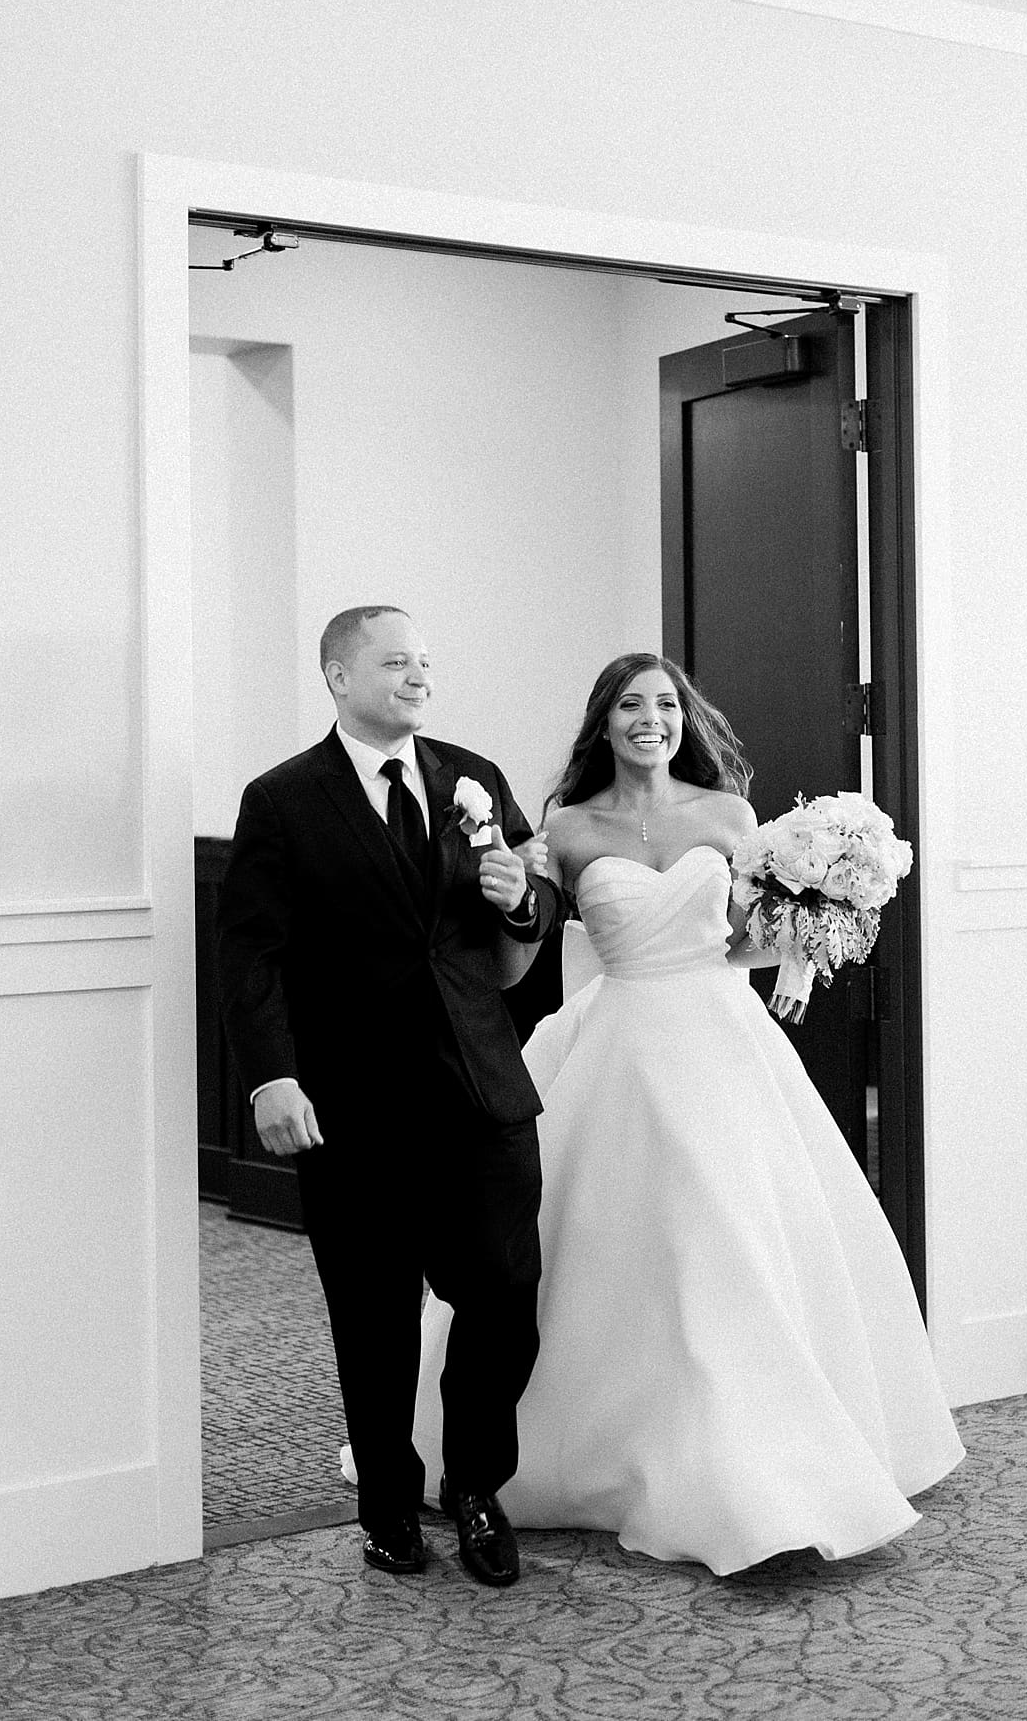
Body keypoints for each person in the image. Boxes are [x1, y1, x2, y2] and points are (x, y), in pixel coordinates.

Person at [413, 651, 965, 1576]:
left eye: (666, 704)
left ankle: (763, 1464)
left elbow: (738, 940)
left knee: (735, 1244)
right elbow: (525, 950)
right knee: (613, 1251)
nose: (651, 719)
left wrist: (807, 931)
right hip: (622, 1042)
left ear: (686, 718)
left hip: (722, 1042)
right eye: (631, 705)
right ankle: (609, 1450)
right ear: (604, 724)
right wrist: (507, 891)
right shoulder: (567, 825)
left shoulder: (729, 816)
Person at [216, 605, 564, 1586]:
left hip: (480, 1092)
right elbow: (251, 951)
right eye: (395, 662)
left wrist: (520, 898)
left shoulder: (474, 777)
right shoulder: (282, 800)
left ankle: (475, 1489)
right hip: (351, 1102)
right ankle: (385, 1505)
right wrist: (272, 1074)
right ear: (337, 675)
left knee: (503, 1300)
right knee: (373, 1318)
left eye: (425, 663)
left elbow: (529, 912)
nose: (418, 677)